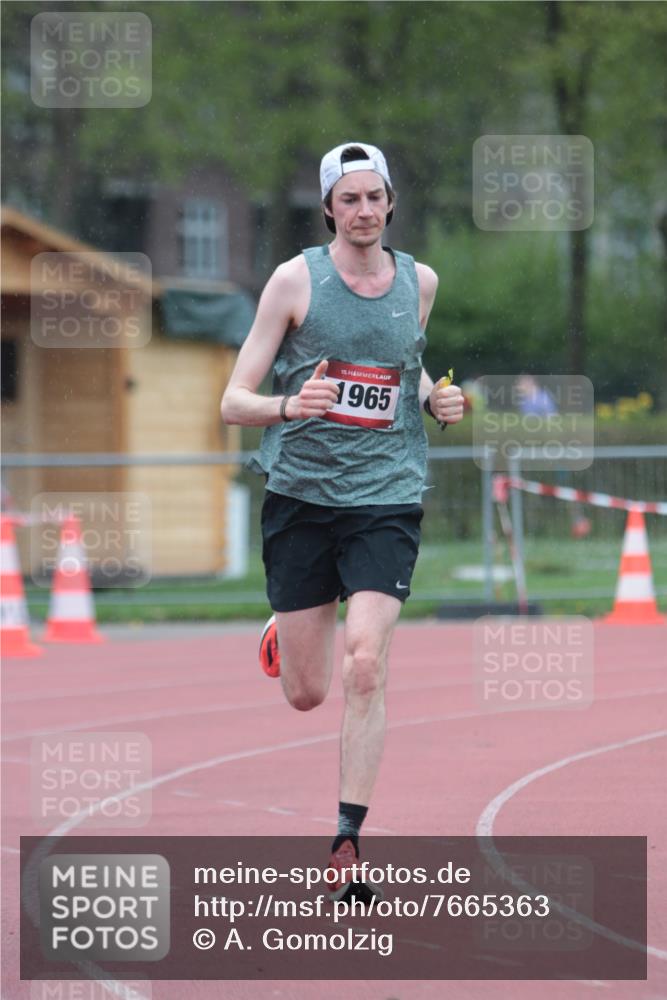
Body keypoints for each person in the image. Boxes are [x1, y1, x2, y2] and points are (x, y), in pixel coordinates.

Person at [221, 141, 464, 900]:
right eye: (348, 199)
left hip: (386, 496)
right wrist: (293, 404)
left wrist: (430, 399)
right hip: (300, 497)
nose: (363, 212)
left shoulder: (418, 281)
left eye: (374, 197)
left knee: (367, 661)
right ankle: (287, 623)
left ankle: (347, 838)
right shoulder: (295, 281)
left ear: (391, 203)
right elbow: (233, 401)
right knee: (305, 692)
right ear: (327, 206)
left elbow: (402, 361)